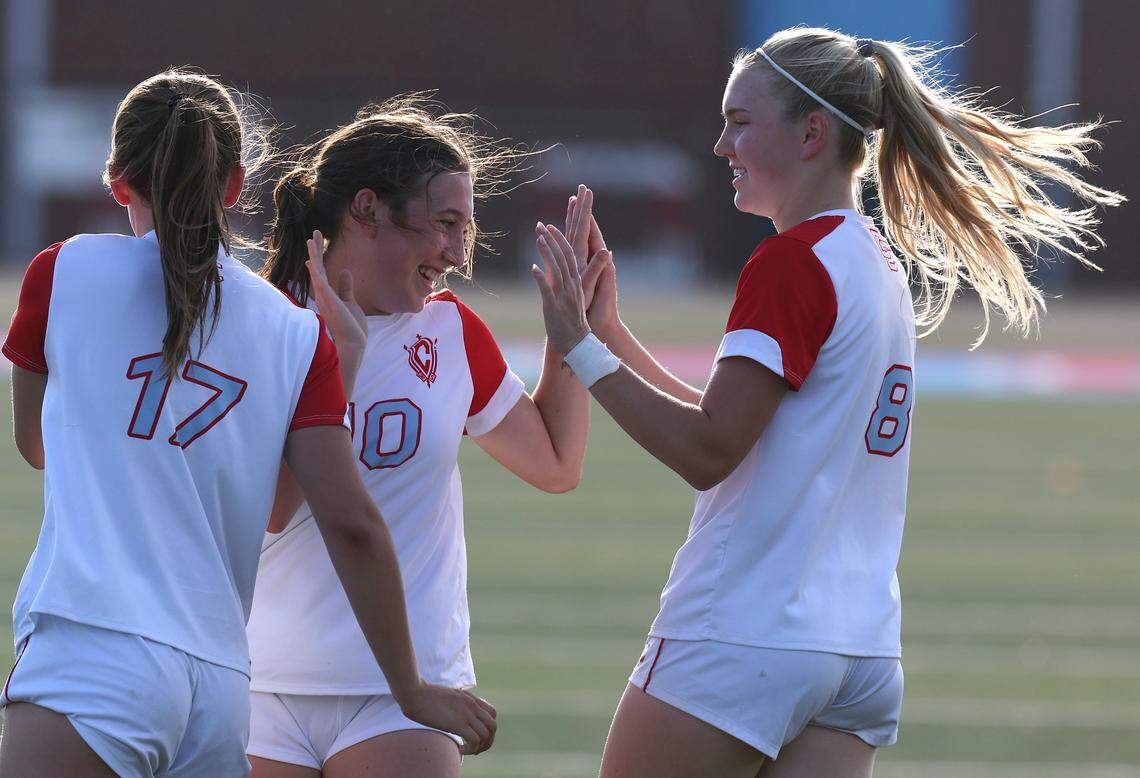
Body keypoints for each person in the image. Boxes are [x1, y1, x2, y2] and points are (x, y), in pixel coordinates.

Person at [529, 28, 1123, 778]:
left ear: (813, 132)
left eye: (740, 121)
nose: (720, 145)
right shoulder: (874, 262)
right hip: (859, 652)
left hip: (742, 637)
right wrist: (608, 332)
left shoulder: (792, 261)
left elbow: (708, 450)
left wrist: (577, 347)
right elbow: (749, 430)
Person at [0, 70, 495, 778]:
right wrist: (410, 687)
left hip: (90, 655)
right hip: (217, 690)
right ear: (235, 185)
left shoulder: (62, 273)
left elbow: (37, 446)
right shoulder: (294, 331)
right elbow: (340, 520)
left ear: (116, 181)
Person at [247, 98, 607, 778]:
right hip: (257, 679)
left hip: (404, 691)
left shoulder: (450, 329)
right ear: (367, 208)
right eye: (445, 225)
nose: (458, 253)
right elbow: (271, 508)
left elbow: (557, 462)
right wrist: (339, 365)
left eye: (465, 229)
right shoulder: (263, 321)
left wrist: (570, 333)